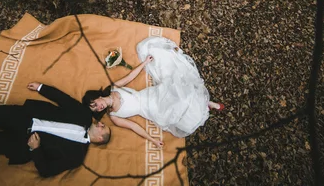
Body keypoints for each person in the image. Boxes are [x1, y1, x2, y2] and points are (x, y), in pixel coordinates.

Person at [83, 37, 223, 148]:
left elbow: (130, 76)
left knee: (177, 90)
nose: (98, 107)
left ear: (97, 97)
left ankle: (205, 102)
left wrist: (145, 63)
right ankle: (205, 104)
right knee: (178, 107)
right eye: (95, 109)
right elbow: (134, 127)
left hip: (149, 94)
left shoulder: (113, 88)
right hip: (150, 110)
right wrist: (153, 140)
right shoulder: (114, 116)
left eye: (94, 104)